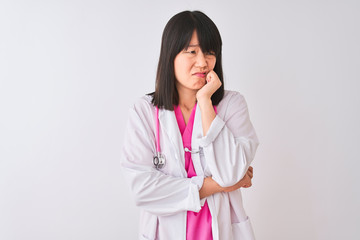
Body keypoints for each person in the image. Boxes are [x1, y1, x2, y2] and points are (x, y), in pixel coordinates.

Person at [121, 10, 259, 240]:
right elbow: (142, 190)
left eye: (210, 52)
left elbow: (231, 172)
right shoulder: (144, 111)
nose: (203, 62)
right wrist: (216, 186)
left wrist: (205, 102)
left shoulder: (232, 105)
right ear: (170, 55)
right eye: (192, 51)